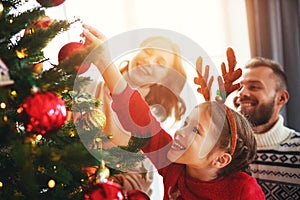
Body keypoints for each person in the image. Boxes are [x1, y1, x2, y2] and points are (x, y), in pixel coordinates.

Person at [83, 27, 265, 199]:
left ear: (220, 159)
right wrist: (105, 62)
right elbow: (138, 115)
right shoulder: (173, 164)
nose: (180, 132)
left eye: (196, 131)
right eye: (186, 124)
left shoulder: (243, 189)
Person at [82, 24, 187, 199]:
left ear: (165, 79)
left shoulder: (151, 120)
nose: (149, 60)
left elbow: (138, 173)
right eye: (148, 51)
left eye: (160, 63)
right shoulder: (93, 84)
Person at [233, 57, 300, 199]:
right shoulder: (224, 150)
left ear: (281, 98)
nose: (241, 93)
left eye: (254, 87)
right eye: (240, 87)